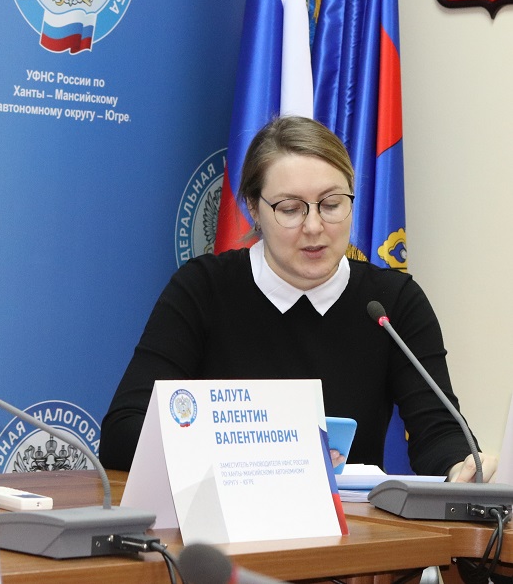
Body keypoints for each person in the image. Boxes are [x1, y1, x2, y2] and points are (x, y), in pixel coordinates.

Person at [100, 116, 495, 482]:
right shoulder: (204, 289)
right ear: (254, 208)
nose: (314, 226)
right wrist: (253, 454)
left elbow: (438, 432)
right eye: (290, 209)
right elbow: (124, 432)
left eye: (332, 204)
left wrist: (462, 466)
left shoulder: (391, 303)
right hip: (228, 522)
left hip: (353, 528)